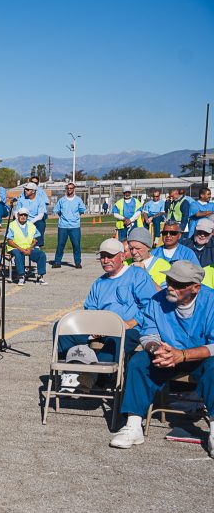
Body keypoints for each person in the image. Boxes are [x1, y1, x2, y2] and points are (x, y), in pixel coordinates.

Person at [110, 260, 214, 456]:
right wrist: (156, 349)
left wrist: (182, 355)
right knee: (139, 362)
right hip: (166, 355)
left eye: (178, 284)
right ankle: (133, 425)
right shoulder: (158, 299)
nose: (171, 287)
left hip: (200, 357)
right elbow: (148, 333)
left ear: (195, 288)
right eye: (169, 280)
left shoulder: (211, 301)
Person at [56, 237, 153, 392]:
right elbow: (91, 308)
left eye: (110, 256)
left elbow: (150, 306)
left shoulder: (137, 275)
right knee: (62, 329)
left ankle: (93, 377)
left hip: (128, 328)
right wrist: (93, 326)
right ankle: (71, 370)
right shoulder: (99, 282)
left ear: (122, 256)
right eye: (103, 256)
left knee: (118, 340)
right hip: (101, 328)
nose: (106, 260)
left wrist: (131, 322)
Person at [6, 208, 47, 285]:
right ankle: (21, 276)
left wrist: (30, 248)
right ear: (18, 215)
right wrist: (21, 249)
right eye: (21, 215)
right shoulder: (12, 225)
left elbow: (35, 240)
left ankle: (40, 276)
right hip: (15, 248)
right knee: (18, 254)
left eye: (25, 215)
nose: (23, 216)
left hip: (29, 248)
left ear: (27, 216)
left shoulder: (31, 225)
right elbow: (9, 241)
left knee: (41, 254)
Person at [53, 182, 86, 269]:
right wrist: (63, 217)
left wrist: (75, 217)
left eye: (71, 188)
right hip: (63, 226)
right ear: (66, 189)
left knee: (76, 245)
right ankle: (57, 262)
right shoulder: (62, 200)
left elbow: (82, 210)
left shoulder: (78, 200)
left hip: (74, 226)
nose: (69, 190)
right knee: (60, 244)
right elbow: (57, 210)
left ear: (74, 189)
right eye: (68, 188)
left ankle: (77, 262)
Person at [17, 183, 49, 247]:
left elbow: (41, 215)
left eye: (27, 189)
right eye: (25, 189)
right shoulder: (21, 199)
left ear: (33, 191)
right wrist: (19, 221)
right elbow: (16, 212)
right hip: (22, 220)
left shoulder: (40, 200)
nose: (25, 190)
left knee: (41, 223)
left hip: (34, 221)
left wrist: (30, 222)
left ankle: (37, 245)